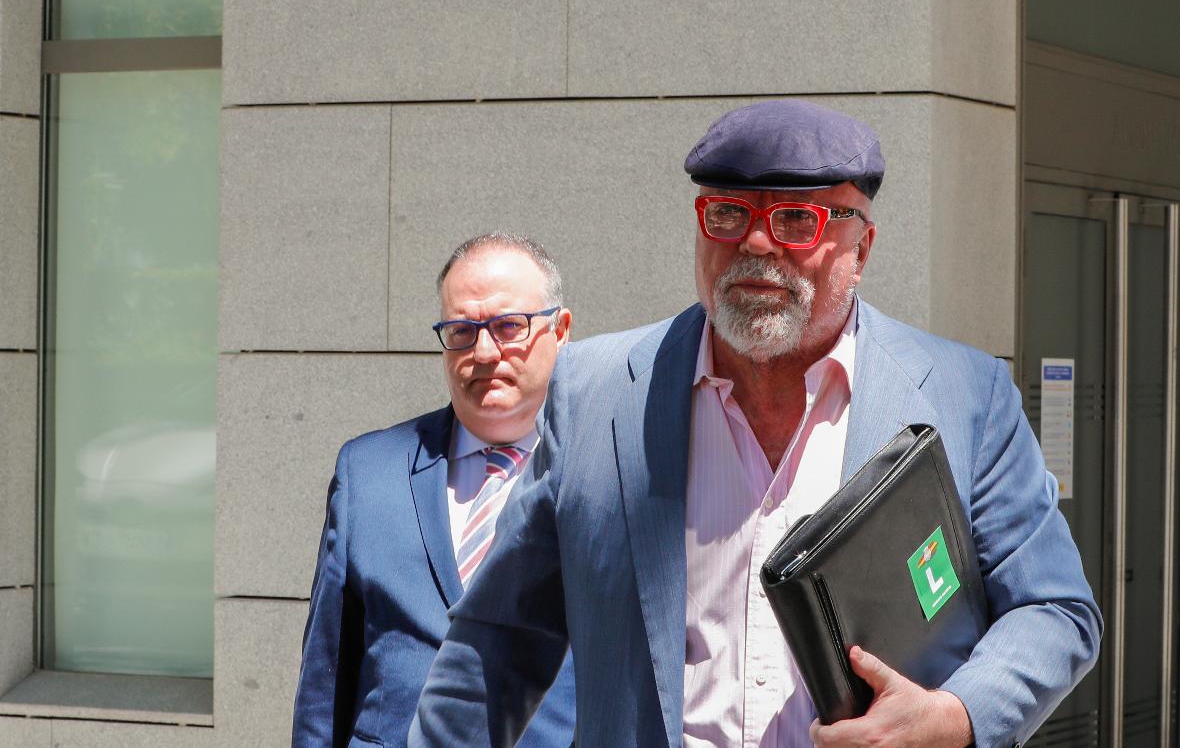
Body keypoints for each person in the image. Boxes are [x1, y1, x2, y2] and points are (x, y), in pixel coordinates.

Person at [409, 101, 1101, 748]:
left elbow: (1054, 610)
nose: (758, 243)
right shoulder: (594, 395)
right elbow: (495, 644)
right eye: (728, 214)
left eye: (798, 219)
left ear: (862, 249)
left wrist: (954, 717)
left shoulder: (966, 396)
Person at [292, 233, 576, 748]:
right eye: (462, 331)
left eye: (509, 326)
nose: (484, 352)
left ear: (560, 331)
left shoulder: (606, 472)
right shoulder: (368, 472)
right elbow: (324, 685)